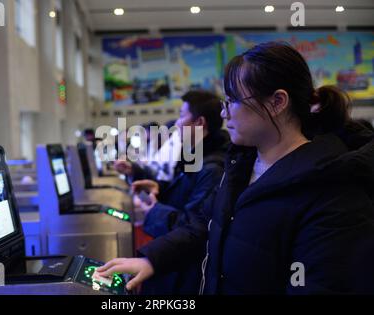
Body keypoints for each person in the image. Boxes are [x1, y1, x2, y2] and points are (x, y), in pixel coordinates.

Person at [97, 42, 374, 294]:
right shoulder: (242, 165)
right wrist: (152, 259)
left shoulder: (334, 192)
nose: (223, 113)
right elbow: (204, 224)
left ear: (277, 102)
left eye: (232, 101)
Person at [132, 90, 230, 294]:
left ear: (199, 122)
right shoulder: (197, 158)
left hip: (187, 274)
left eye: (182, 115)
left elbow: (195, 227)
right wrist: (160, 191)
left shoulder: (212, 168)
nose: (177, 123)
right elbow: (187, 198)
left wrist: (153, 209)